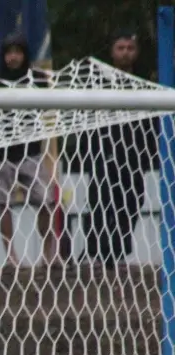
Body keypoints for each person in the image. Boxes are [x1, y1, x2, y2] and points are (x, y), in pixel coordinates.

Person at [77, 29, 157, 270]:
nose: (125, 53)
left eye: (129, 48)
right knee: (100, 202)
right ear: (112, 52)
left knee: (131, 202)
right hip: (102, 151)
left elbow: (150, 123)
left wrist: (148, 152)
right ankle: (98, 254)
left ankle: (119, 253)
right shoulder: (97, 82)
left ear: (137, 52)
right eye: (120, 48)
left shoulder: (145, 85)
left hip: (133, 155)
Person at [0, 33, 57, 268]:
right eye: (8, 52)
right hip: (0, 153)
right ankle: (11, 257)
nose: (13, 57)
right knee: (3, 204)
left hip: (30, 152)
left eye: (18, 52)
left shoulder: (38, 80)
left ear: (25, 55)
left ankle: (48, 255)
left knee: (45, 201)